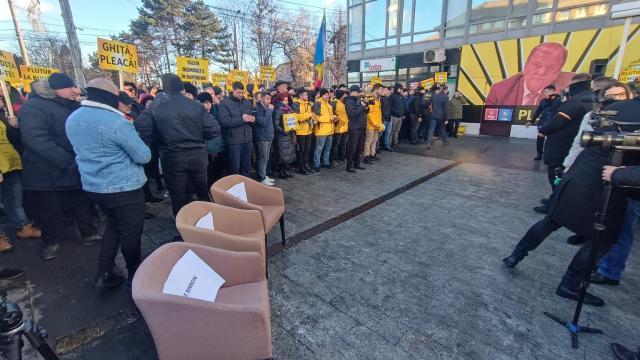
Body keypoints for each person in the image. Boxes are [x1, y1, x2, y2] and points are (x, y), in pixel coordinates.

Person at [502, 76, 636, 307]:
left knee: (553, 221)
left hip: (583, 172)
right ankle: (569, 283)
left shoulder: (593, 113)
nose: (617, 101)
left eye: (621, 97)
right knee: (600, 239)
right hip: (604, 179)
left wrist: (566, 167)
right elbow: (576, 140)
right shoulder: (592, 112)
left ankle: (517, 255)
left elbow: (577, 143)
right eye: (614, 96)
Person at [66, 78, 151, 290]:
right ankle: (136, 274)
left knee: (113, 226)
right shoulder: (116, 121)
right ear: (109, 97)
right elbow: (143, 156)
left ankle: (104, 273)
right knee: (131, 232)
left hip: (94, 186)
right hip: (124, 187)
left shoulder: (73, 118)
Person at [19, 73, 99, 261]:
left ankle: (89, 232)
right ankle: (51, 243)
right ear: (56, 89)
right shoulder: (33, 108)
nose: (75, 91)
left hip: (71, 167)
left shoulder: (71, 105)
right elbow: (36, 139)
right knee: (49, 212)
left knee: (80, 203)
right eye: (70, 87)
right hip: (45, 173)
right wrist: (66, 161)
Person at [136, 73, 220, 217]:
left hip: (172, 158)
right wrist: (198, 138)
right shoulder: (195, 105)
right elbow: (214, 129)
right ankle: (210, 219)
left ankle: (182, 228)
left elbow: (141, 127)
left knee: (177, 195)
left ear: (164, 88)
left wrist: (158, 138)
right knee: (201, 190)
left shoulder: (157, 105)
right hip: (197, 156)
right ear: (182, 88)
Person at [535, 73, 593, 214]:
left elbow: (558, 121)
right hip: (571, 146)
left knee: (556, 176)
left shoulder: (575, 101)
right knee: (559, 176)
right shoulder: (588, 99)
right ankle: (555, 199)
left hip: (562, 147)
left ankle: (555, 205)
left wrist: (543, 130)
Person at [0, 100, 41, 252]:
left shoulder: (4, 116)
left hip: (10, 164)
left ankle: (23, 227)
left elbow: (14, 140)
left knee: (14, 200)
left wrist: (14, 127)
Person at [486, 42, 574, 106]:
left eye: (550, 68)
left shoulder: (571, 85)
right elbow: (487, 127)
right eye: (537, 65)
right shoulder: (499, 91)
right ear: (525, 66)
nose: (541, 72)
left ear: (557, 73)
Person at [218, 82, 255, 177]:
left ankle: (247, 186)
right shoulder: (224, 103)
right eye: (238, 92)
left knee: (246, 167)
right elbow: (224, 122)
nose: (241, 95)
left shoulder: (246, 102)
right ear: (233, 90)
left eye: (242, 92)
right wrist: (241, 119)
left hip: (247, 139)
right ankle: (235, 189)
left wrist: (253, 119)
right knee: (235, 168)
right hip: (234, 141)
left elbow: (251, 116)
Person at [527, 86, 561, 161]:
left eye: (545, 91)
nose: (544, 93)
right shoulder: (543, 101)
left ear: (551, 91)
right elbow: (538, 111)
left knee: (552, 140)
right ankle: (539, 154)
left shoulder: (559, 100)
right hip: (543, 122)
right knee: (540, 138)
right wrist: (531, 121)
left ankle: (551, 155)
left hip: (553, 123)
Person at [273, 93, 297, 179]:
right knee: (282, 154)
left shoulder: (288, 108)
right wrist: (284, 131)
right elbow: (276, 125)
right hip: (282, 135)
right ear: (280, 101)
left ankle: (286, 170)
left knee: (288, 154)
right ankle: (281, 172)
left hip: (289, 134)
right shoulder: (278, 110)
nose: (287, 102)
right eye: (286, 100)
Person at [344, 85, 368, 173]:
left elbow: (365, 111)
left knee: (359, 147)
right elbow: (352, 113)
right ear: (353, 92)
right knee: (352, 147)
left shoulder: (357, 100)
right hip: (354, 127)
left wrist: (366, 107)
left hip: (361, 126)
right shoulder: (349, 101)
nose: (360, 94)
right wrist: (361, 106)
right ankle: (349, 166)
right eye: (358, 92)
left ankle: (356, 164)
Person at [253, 92, 275, 185]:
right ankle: (262, 177)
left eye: (270, 99)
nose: (269, 101)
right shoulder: (258, 108)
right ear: (261, 99)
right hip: (262, 137)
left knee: (266, 157)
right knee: (263, 158)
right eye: (267, 99)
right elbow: (263, 122)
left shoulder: (266, 108)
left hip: (268, 136)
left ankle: (263, 174)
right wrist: (270, 111)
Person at [312, 88, 336, 171]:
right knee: (319, 148)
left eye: (327, 94)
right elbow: (317, 117)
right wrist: (330, 118)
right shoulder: (317, 104)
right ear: (321, 95)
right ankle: (316, 165)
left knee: (328, 148)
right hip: (321, 130)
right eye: (325, 94)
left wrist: (335, 118)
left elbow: (332, 115)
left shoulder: (329, 105)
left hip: (330, 129)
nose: (327, 96)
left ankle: (326, 163)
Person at [292, 88, 314, 174]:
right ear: (300, 96)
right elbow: (298, 117)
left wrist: (311, 116)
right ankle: (301, 167)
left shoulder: (308, 104)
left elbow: (311, 115)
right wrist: (309, 115)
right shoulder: (296, 104)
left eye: (307, 95)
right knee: (301, 149)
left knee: (307, 149)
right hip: (300, 130)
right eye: (305, 95)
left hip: (308, 129)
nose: (307, 96)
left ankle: (306, 164)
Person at [364, 84, 383, 163]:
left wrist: (380, 124)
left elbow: (378, 113)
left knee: (374, 141)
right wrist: (375, 123)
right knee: (368, 141)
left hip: (376, 125)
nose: (381, 91)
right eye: (380, 89)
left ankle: (373, 154)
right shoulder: (371, 99)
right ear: (376, 89)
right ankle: (366, 156)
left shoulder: (377, 99)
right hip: (371, 125)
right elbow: (369, 113)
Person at [331, 89, 349, 164]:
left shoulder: (345, 103)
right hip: (338, 128)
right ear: (340, 96)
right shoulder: (334, 103)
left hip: (345, 127)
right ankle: (334, 160)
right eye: (344, 95)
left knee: (343, 144)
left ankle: (342, 158)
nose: (345, 96)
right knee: (336, 145)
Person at [389, 83, 404, 149]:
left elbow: (402, 106)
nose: (400, 90)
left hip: (400, 116)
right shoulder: (392, 96)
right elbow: (390, 106)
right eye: (400, 89)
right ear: (397, 88)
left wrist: (402, 113)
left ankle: (395, 142)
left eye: (401, 89)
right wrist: (396, 111)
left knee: (397, 131)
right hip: (394, 116)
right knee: (392, 131)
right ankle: (390, 143)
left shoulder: (400, 96)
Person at [379, 87, 392, 151]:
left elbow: (388, 109)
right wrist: (383, 119)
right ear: (383, 91)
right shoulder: (380, 99)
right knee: (379, 135)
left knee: (388, 133)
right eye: (387, 90)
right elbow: (380, 110)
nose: (389, 92)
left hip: (388, 119)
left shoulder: (387, 98)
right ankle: (377, 147)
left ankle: (387, 146)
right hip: (383, 119)